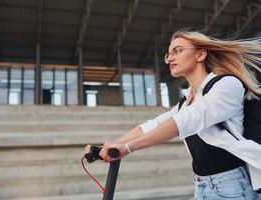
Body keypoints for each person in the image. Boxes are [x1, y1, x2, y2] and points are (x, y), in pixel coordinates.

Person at [84, 30, 261, 199]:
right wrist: (109, 145)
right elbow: (151, 126)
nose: (170, 58)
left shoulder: (227, 85)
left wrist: (128, 148)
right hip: (202, 186)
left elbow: (186, 121)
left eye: (177, 50)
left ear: (200, 55)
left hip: (232, 187)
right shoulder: (187, 101)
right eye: (168, 54)